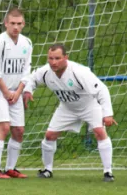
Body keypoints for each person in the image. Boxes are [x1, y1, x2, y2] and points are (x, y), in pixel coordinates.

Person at [22, 44, 117, 182]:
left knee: (100, 132)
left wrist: (108, 113)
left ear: (66, 58)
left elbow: (102, 89)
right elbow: (32, 79)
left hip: (89, 105)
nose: (53, 62)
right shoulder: (46, 72)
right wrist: (28, 90)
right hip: (67, 108)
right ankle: (47, 169)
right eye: (51, 58)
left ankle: (108, 172)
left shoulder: (79, 72)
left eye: (57, 58)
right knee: (49, 135)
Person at [0, 8, 32, 179]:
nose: (15, 27)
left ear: (23, 24)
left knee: (18, 130)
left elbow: (27, 70)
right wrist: (6, 91)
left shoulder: (27, 43)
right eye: (12, 24)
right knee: (3, 127)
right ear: (6, 23)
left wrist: (18, 92)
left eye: (19, 24)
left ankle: (11, 167)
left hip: (15, 92)